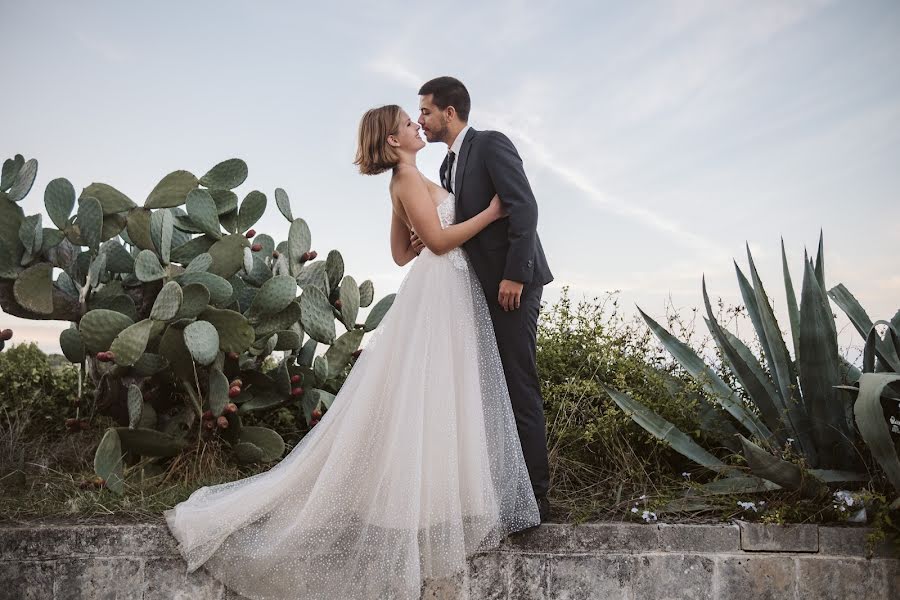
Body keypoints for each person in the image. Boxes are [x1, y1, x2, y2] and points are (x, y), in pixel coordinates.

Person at [164, 104, 540, 600]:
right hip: (440, 291)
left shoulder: (411, 178)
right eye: (409, 123)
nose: (416, 126)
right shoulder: (405, 180)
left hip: (444, 291)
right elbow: (438, 243)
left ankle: (446, 499)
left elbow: (401, 254)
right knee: (434, 391)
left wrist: (427, 235)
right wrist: (490, 214)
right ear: (392, 141)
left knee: (444, 392)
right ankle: (433, 504)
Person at [415, 76, 554, 521]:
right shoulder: (444, 169)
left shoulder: (491, 144)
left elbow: (524, 207)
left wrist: (516, 274)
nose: (421, 120)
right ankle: (499, 493)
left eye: (426, 111)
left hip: (512, 288)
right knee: (486, 392)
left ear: (449, 113)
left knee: (518, 384)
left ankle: (535, 500)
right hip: (475, 291)